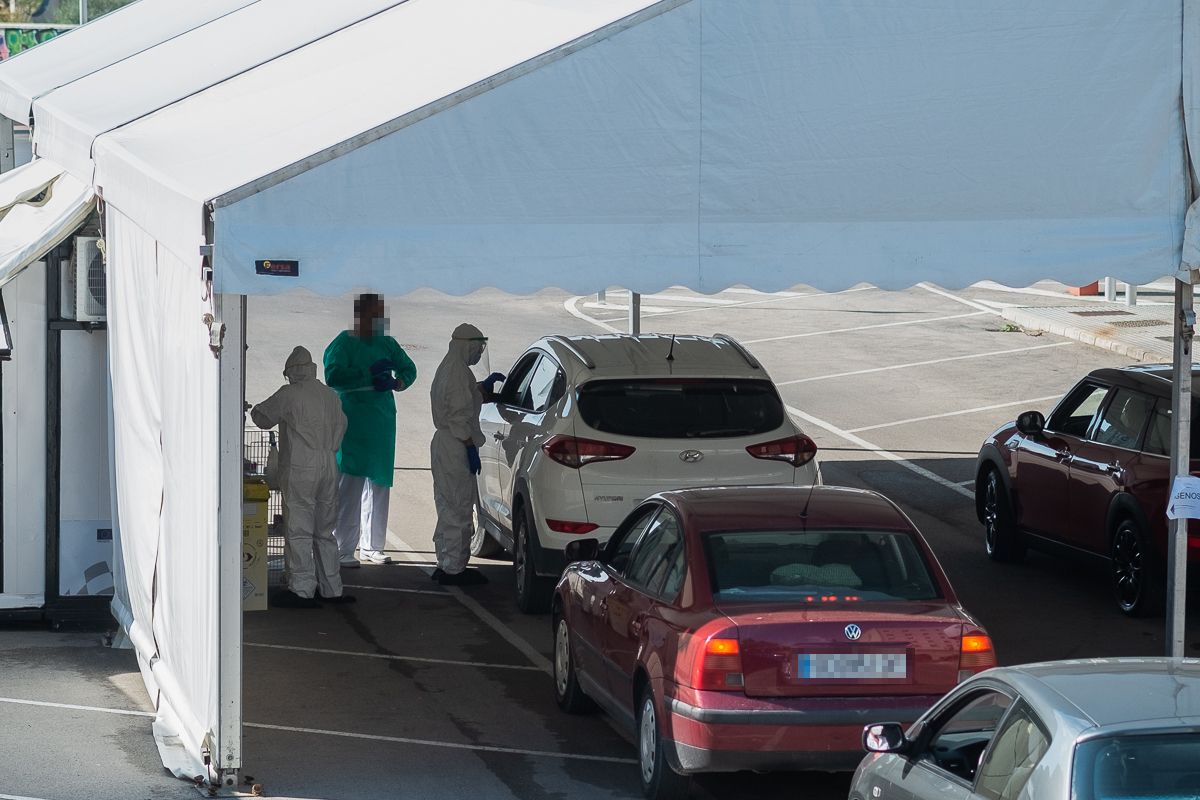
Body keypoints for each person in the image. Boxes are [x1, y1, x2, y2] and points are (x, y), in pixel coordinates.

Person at [251, 346, 354, 607]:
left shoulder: (291, 394)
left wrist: (250, 409)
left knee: (299, 529)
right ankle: (331, 588)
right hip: (329, 464)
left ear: (292, 372)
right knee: (325, 530)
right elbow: (343, 425)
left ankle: (302, 589)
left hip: (301, 466)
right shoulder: (330, 396)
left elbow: (263, 417)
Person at [324, 294, 418, 567]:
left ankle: (372, 546)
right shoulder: (343, 343)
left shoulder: (386, 343)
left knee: (379, 484)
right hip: (354, 420)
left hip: (381, 422)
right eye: (374, 314)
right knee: (350, 486)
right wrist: (366, 374)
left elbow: (409, 369)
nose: (378, 320)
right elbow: (333, 376)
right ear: (361, 315)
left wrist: (397, 383)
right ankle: (343, 548)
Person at [429, 323, 505, 586]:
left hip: (448, 444)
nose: (478, 353)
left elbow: (466, 399)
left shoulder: (454, 369)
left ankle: (448, 562)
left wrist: (483, 388)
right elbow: (459, 415)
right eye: (477, 348)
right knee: (458, 506)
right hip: (456, 445)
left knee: (449, 505)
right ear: (466, 346)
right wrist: (470, 446)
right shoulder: (457, 374)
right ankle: (454, 569)